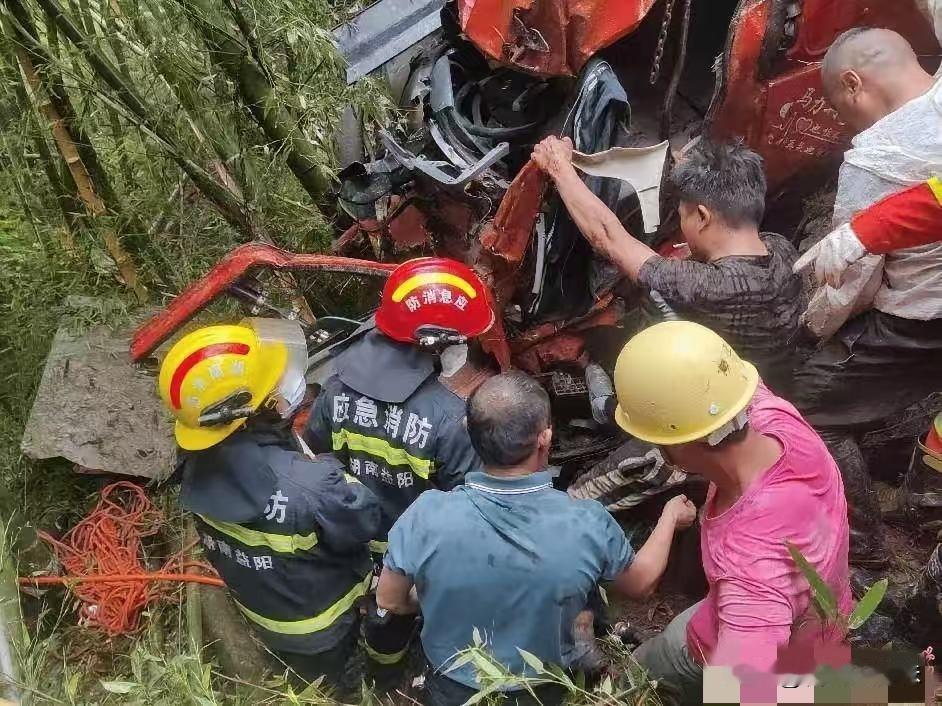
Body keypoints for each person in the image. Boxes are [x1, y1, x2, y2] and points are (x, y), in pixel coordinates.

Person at [375, 371, 697, 706]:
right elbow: (640, 583)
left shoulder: (425, 514)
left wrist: (443, 593)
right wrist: (670, 517)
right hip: (545, 689)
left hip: (453, 689)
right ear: (545, 438)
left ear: (469, 433)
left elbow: (390, 599)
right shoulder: (585, 521)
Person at [611, 321, 851, 704]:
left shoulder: (750, 573)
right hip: (821, 622)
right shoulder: (775, 417)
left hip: (736, 649)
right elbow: (717, 388)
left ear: (681, 444)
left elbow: (748, 690)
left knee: (639, 679)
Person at [158, 319, 382, 691]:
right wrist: (330, 474)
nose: (285, 388)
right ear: (251, 409)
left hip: (262, 612)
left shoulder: (194, 467)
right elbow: (363, 519)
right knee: (335, 678)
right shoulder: (310, 486)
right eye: (274, 384)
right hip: (324, 626)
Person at [791, 27, 942, 565]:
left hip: (918, 321)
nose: (847, 126)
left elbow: (849, 282)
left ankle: (861, 546)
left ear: (853, 83)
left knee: (807, 412)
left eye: (841, 110)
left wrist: (808, 328)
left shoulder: (877, 158)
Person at [304, 257, 491, 670]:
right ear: (436, 344)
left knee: (378, 617)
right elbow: (470, 506)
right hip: (412, 555)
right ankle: (394, 663)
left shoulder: (336, 388)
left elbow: (316, 456)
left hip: (348, 538)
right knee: (396, 615)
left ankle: (379, 668)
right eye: (461, 340)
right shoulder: (450, 420)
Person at [531, 136, 801, 395]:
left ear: (703, 217)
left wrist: (559, 168)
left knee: (608, 341)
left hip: (724, 399)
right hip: (775, 381)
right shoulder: (781, 249)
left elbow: (607, 238)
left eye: (684, 216)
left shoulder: (707, 285)